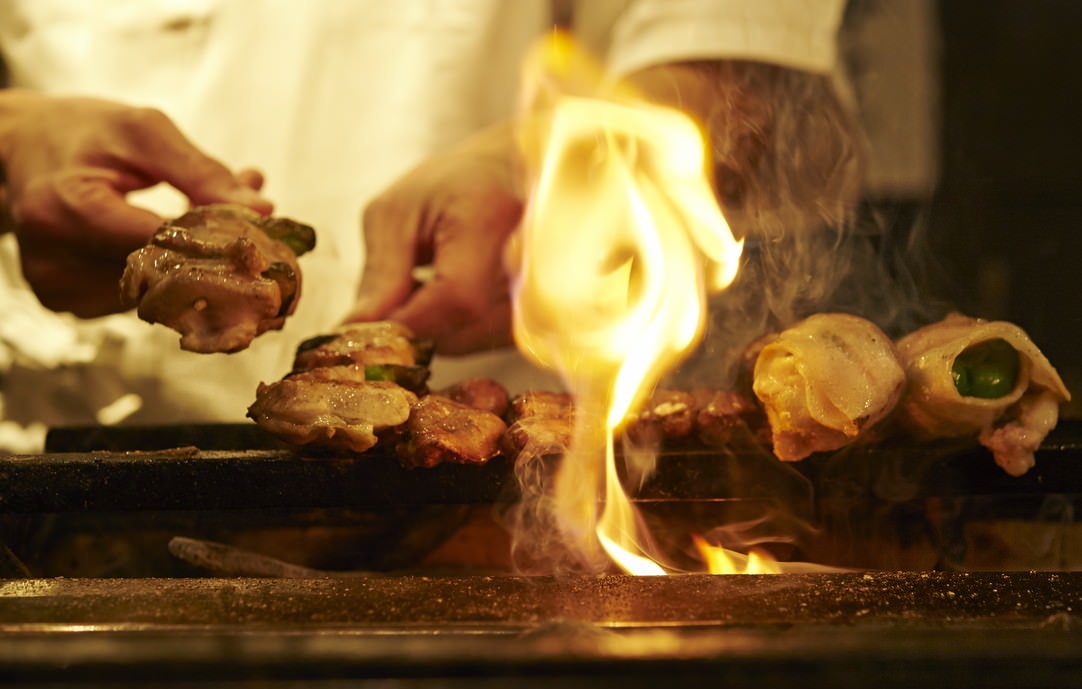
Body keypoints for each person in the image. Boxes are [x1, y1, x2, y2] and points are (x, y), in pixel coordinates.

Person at [0, 0, 858, 450]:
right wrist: (13, 142)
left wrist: (568, 164)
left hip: (499, 477)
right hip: (66, 472)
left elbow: (735, 65)